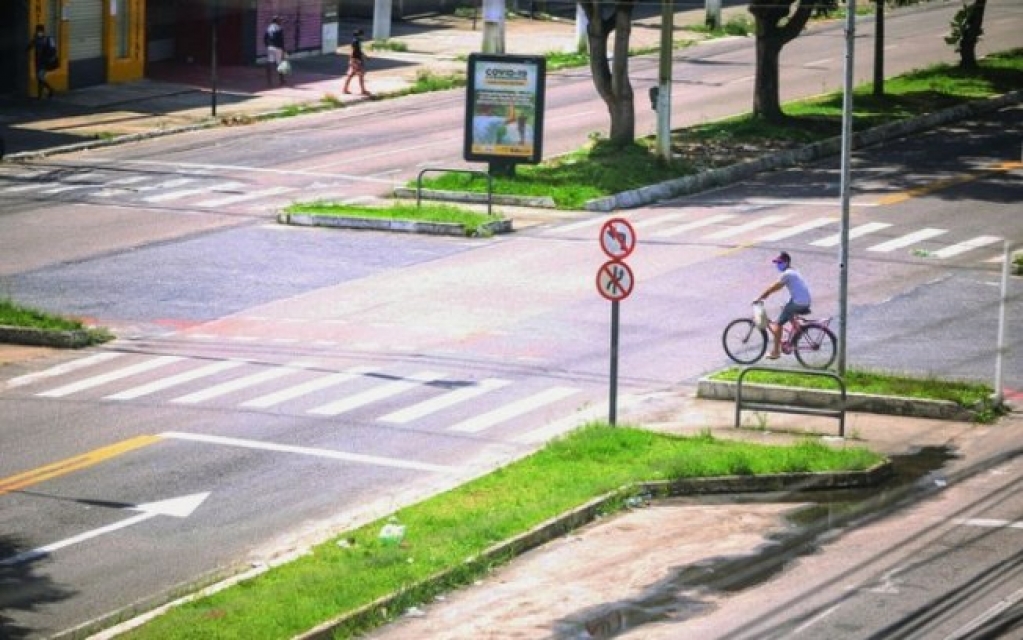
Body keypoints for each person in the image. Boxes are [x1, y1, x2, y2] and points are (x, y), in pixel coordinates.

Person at [755, 251, 812, 359]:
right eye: (777, 263)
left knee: (778, 325)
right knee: (785, 307)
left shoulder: (787, 274)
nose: (778, 265)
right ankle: (795, 327)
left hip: (799, 302)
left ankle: (776, 352)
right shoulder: (793, 271)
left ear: (786, 262)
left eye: (780, 262)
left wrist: (761, 297)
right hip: (803, 300)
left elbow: (774, 287)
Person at [27, 24, 57, 99]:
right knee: (39, 78)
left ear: (43, 31)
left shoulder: (48, 39)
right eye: (38, 31)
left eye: (40, 31)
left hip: (45, 61)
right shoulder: (36, 38)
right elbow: (30, 46)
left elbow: (53, 50)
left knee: (40, 77)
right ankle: (42, 94)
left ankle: (49, 90)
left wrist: (50, 57)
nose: (39, 32)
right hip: (38, 61)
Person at [342, 29, 370, 96]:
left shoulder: (357, 41)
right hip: (356, 61)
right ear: (359, 35)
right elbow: (353, 51)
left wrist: (365, 56)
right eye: (362, 35)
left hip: (356, 60)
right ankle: (363, 90)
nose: (363, 36)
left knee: (351, 75)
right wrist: (353, 60)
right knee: (360, 75)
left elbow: (359, 51)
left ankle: (345, 89)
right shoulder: (355, 42)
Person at [264, 16, 287, 86]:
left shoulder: (269, 28)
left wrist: (267, 45)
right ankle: (282, 80)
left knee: (269, 63)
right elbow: (281, 40)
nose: (281, 22)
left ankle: (269, 81)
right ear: (276, 21)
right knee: (280, 63)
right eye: (280, 21)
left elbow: (265, 38)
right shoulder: (279, 28)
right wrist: (283, 49)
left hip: (270, 47)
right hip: (277, 47)